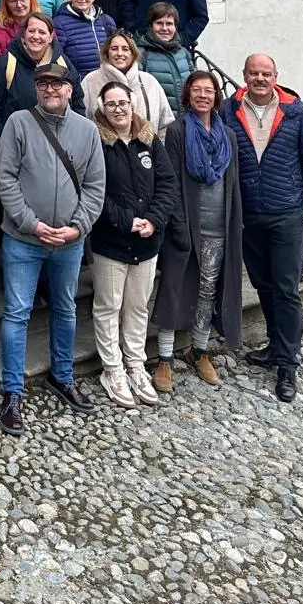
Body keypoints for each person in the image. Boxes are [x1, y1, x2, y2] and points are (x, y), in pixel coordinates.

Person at [0, 61, 105, 433]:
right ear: (36, 89)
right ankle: (11, 392)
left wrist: (77, 228)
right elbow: (5, 178)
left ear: (70, 90)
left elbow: (95, 186)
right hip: (24, 239)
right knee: (17, 314)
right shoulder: (19, 124)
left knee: (66, 310)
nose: (50, 90)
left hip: (69, 242)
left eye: (56, 85)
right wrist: (31, 223)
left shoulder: (87, 131)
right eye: (43, 85)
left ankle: (62, 376)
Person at [220, 54, 303, 403]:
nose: (259, 79)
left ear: (276, 77)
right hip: (248, 213)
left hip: (285, 212)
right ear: (244, 76)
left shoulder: (296, 111)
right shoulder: (229, 109)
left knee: (286, 287)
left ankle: (286, 362)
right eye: (253, 73)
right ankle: (274, 342)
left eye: (265, 74)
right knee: (263, 283)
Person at [151, 71, 243, 393]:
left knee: (207, 292)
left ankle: (199, 351)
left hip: (219, 226)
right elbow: (171, 181)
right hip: (186, 226)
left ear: (216, 96)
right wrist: (177, 223)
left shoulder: (227, 135)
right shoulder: (177, 131)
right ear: (188, 95)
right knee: (174, 290)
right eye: (197, 90)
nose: (203, 95)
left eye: (209, 90)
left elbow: (233, 184)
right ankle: (164, 358)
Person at [89, 83, 177, 409]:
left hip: (147, 240)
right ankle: (112, 369)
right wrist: (126, 221)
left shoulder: (149, 138)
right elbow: (96, 191)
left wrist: (153, 220)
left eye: (122, 103)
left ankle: (135, 365)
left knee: (137, 307)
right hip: (112, 240)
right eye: (110, 104)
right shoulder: (97, 141)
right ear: (102, 108)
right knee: (109, 307)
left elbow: (167, 183)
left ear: (132, 103)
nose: (118, 109)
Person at [0, 11, 84, 154]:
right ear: (24, 34)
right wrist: (4, 145)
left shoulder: (63, 62)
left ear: (50, 38)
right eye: (31, 31)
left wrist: (75, 138)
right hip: (19, 147)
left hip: (61, 146)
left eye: (42, 32)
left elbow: (78, 99)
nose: (36, 36)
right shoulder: (7, 63)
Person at [81, 29, 172, 133]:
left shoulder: (149, 81)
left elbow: (166, 123)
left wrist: (158, 148)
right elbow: (81, 123)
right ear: (106, 52)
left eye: (125, 49)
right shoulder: (90, 81)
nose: (120, 53)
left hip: (149, 147)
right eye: (114, 49)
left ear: (133, 54)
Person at [52, 0, 116, 78]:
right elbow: (56, 59)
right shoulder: (59, 23)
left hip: (107, 83)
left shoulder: (107, 21)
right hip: (78, 86)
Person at [137, 2, 194, 107]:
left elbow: (193, 85)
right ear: (151, 26)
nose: (164, 28)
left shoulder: (183, 53)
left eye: (169, 24)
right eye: (159, 23)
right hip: (158, 120)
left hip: (185, 118)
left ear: (175, 26)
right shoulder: (141, 54)